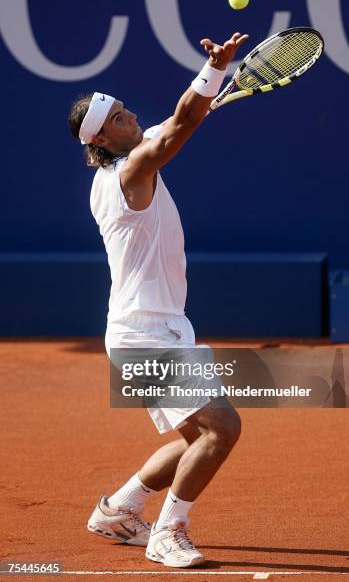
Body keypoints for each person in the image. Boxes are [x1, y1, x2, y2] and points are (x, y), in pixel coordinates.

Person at [68, 31, 249, 569]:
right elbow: (183, 124)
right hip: (146, 332)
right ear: (104, 138)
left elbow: (179, 120)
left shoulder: (122, 164)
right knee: (223, 429)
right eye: (120, 117)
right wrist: (212, 72)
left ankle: (119, 508)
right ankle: (168, 532)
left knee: (194, 436)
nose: (131, 116)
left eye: (126, 110)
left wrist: (205, 87)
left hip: (154, 327)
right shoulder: (131, 170)